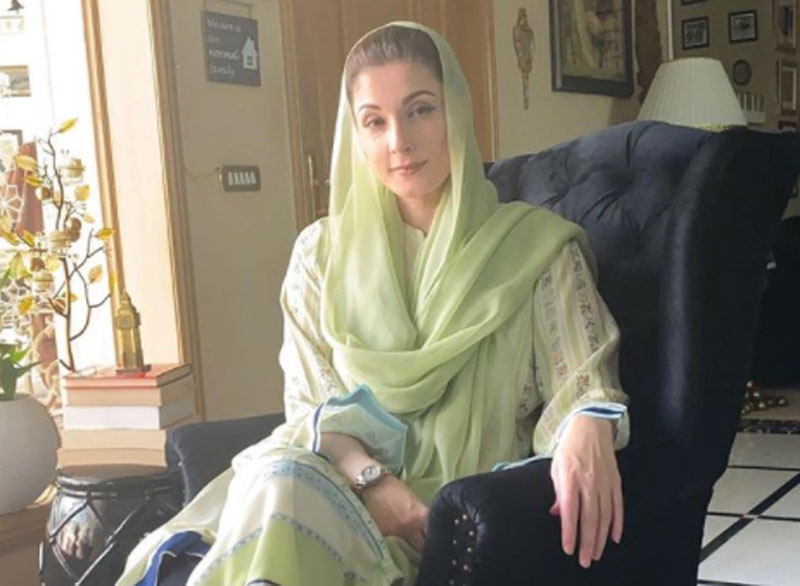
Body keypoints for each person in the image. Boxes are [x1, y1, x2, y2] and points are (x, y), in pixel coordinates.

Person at [117, 21, 629, 586]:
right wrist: (376, 486)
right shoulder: (319, 256)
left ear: (456, 112)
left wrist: (588, 424)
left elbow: (583, 380)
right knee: (284, 475)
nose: (398, 142)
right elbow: (310, 410)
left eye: (420, 110)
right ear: (355, 135)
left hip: (456, 516)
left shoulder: (537, 249)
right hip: (332, 492)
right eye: (374, 121)